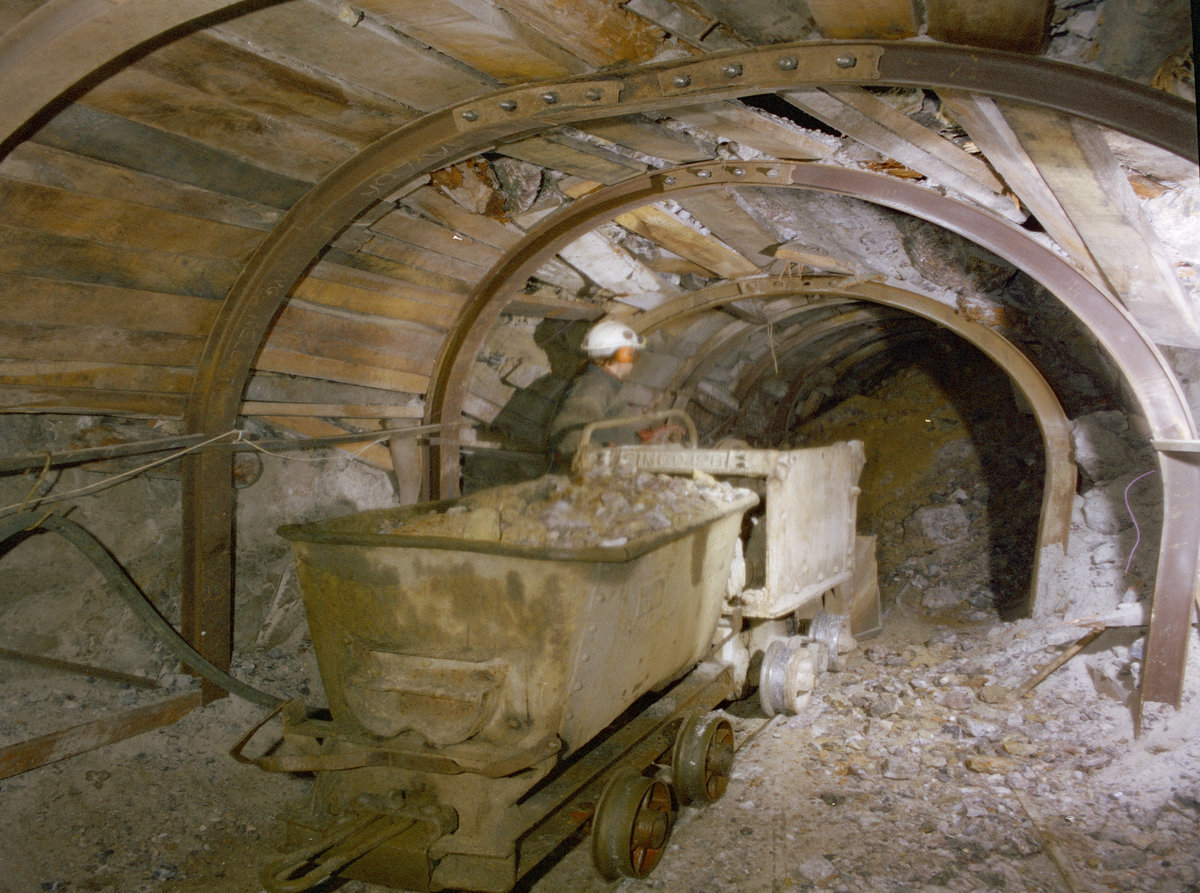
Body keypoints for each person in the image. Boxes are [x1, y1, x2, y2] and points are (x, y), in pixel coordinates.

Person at [546, 320, 646, 466]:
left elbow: (613, 434)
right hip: (599, 475)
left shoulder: (607, 384)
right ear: (623, 354)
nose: (635, 359)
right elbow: (568, 436)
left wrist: (653, 435)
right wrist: (603, 459)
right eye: (632, 353)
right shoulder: (595, 386)